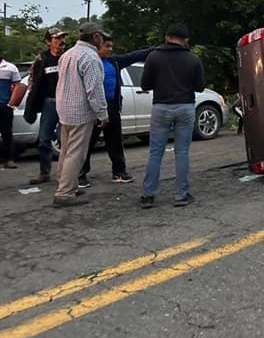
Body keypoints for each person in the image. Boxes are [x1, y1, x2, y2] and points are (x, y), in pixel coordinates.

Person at [140, 23, 204, 209]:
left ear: (167, 37)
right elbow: (200, 86)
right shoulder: (193, 59)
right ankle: (180, 195)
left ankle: (148, 195)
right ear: (186, 40)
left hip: (161, 106)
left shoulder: (153, 57)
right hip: (185, 106)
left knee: (155, 152)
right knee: (182, 152)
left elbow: (145, 84)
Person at [78, 34, 153, 188]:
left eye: (112, 46)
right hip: (92, 108)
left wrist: (153, 49)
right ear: (98, 45)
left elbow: (133, 56)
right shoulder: (90, 61)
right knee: (87, 142)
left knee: (115, 141)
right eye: (107, 46)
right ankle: (80, 174)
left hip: (111, 106)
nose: (110, 49)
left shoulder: (114, 61)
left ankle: (119, 171)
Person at [53, 22, 109, 207]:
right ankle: (65, 193)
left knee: (66, 151)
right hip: (80, 112)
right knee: (76, 154)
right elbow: (94, 90)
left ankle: (67, 184)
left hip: (64, 109)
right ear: (95, 37)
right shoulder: (90, 57)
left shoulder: (67, 54)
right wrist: (103, 114)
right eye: (101, 36)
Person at [26, 27, 69, 184]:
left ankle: (69, 175)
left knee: (67, 140)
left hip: (67, 103)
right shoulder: (42, 59)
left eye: (62, 38)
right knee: (44, 139)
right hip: (49, 103)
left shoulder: (69, 57)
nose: (60, 42)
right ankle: (44, 173)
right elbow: (33, 79)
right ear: (48, 41)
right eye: (56, 38)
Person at [0, 53, 23, 169]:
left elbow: (18, 85)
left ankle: (8, 159)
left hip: (4, 105)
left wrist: (11, 102)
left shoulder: (10, 67)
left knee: (7, 133)